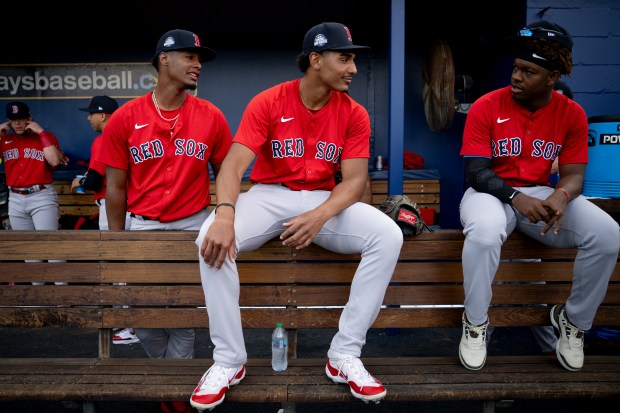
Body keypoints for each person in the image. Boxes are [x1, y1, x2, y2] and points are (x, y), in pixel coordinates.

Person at [190, 22, 403, 411]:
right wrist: (223, 214)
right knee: (210, 235)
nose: (353, 68)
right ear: (316, 60)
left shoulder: (354, 113)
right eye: (345, 58)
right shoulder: (269, 101)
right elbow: (234, 166)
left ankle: (344, 355)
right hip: (270, 196)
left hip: (325, 198)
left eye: (354, 59)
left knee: (388, 235)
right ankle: (229, 361)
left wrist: (321, 214)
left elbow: (354, 182)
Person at [458, 20, 620, 372]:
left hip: (541, 193)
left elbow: (575, 175)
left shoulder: (571, 113)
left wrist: (562, 195)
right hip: (490, 193)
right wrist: (516, 197)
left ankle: (573, 321)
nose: (516, 76)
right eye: (516, 68)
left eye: (528, 71)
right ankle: (475, 323)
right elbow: (475, 172)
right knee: (485, 232)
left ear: (552, 77)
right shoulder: (487, 105)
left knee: (608, 234)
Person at [97, 29, 233, 413]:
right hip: (142, 225)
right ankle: (166, 377)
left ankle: (178, 386)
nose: (197, 64)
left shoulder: (211, 116)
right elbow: (116, 187)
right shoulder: (126, 117)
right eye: (189, 56)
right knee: (145, 314)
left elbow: (226, 171)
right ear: (163, 60)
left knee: (185, 311)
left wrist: (224, 213)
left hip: (193, 222)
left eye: (199, 59)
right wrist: (119, 241)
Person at [73, 95, 138, 345]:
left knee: (119, 269)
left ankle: (130, 326)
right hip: (132, 209)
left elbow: (94, 181)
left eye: (90, 114)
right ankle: (134, 324)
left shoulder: (105, 138)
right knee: (127, 268)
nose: (88, 118)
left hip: (113, 209)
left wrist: (79, 181)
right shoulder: (128, 134)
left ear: (102, 115)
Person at [0, 101, 68, 285]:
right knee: (29, 251)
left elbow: (54, 161)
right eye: (13, 120)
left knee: (51, 247)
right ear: (8, 121)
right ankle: (38, 298)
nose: (18, 124)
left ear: (29, 118)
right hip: (15, 197)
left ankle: (63, 295)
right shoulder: (4, 139)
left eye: (21, 119)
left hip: (41, 196)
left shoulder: (45, 136)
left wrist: (42, 133)